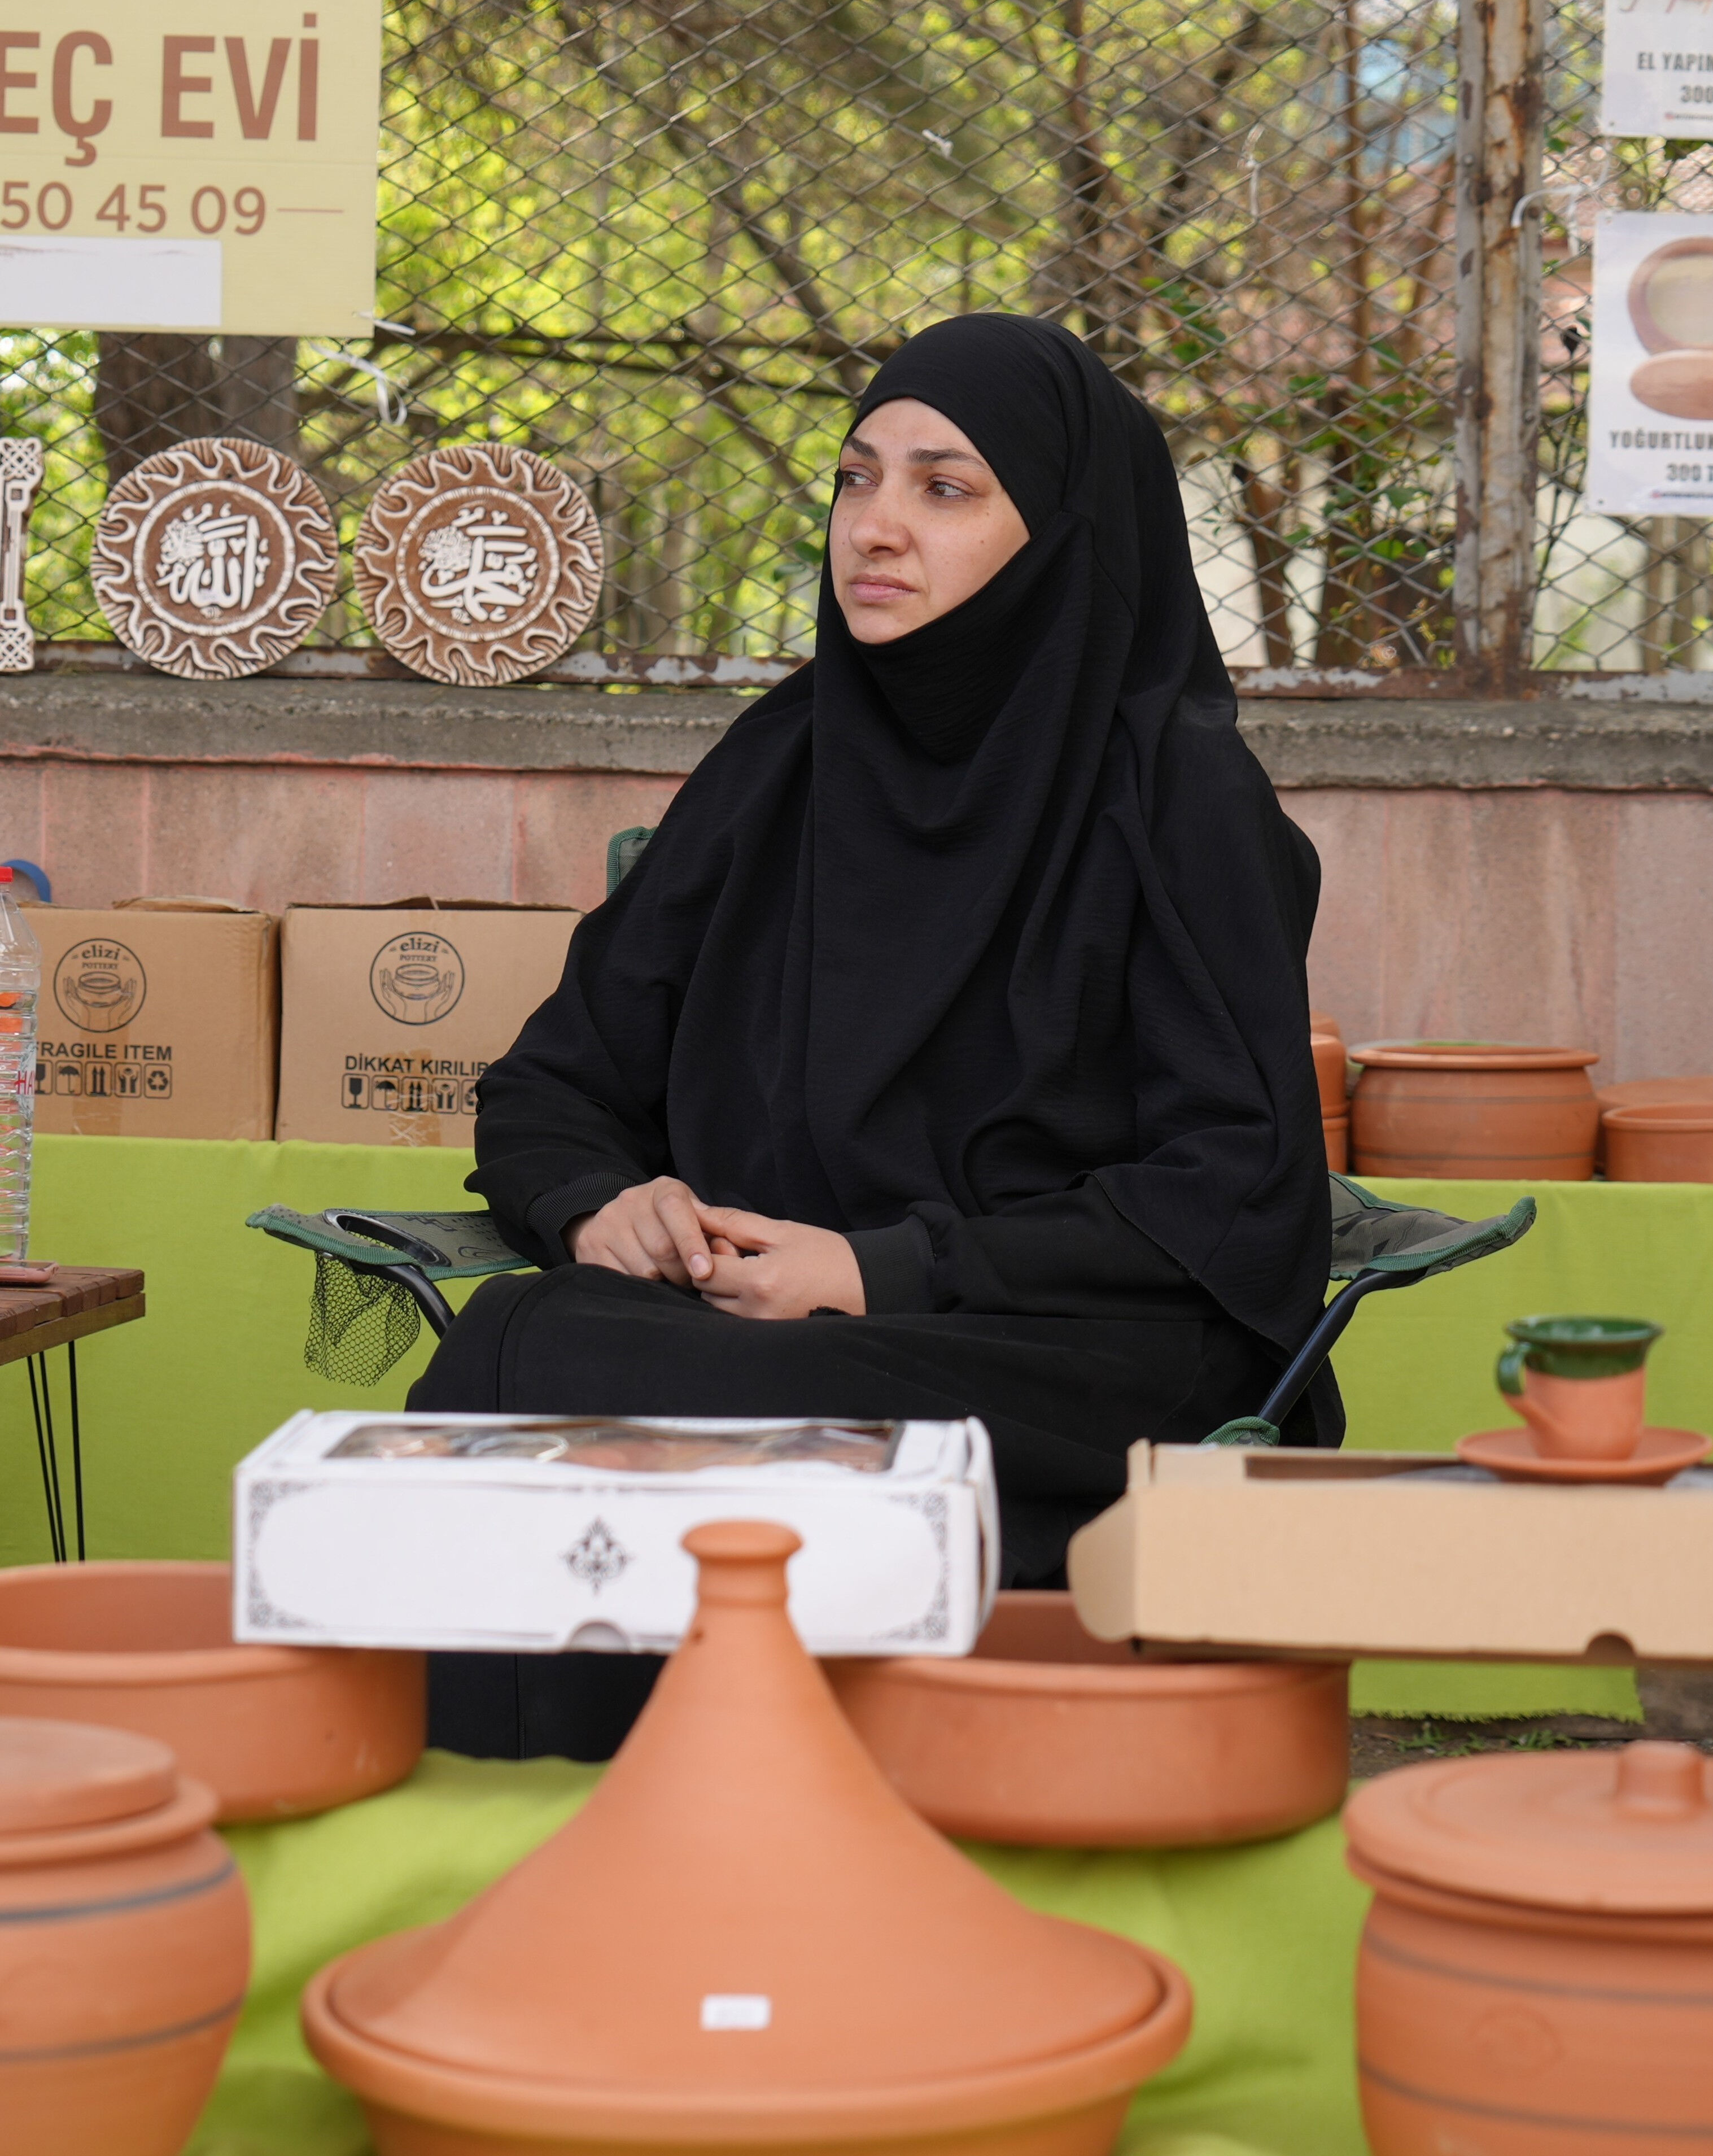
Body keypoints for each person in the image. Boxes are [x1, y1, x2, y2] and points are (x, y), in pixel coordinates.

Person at [411, 313, 1330, 1758]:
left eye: (944, 487)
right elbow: (553, 1079)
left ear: (1061, 532)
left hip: (1059, 1347)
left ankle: (672, 1792)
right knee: (522, 1336)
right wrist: (599, 1204)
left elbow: (1233, 1189)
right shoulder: (781, 765)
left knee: (616, 1384)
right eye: (855, 478)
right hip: (750, 1316)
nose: (875, 525)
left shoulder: (1178, 799)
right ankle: (539, 1801)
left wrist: (873, 1268)